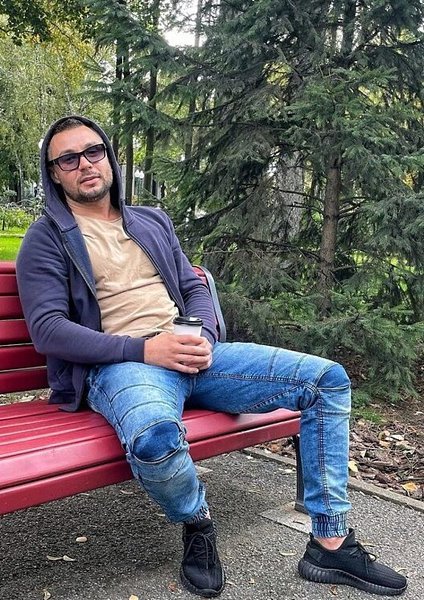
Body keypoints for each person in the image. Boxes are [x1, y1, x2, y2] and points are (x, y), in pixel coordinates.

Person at [16, 115, 407, 598]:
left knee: (326, 379)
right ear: (55, 174)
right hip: (123, 365)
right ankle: (197, 522)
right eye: (68, 159)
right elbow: (48, 330)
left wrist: (199, 333)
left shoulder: (151, 221)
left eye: (93, 151)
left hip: (195, 354)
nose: (85, 164)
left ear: (109, 158)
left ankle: (330, 543)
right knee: (155, 440)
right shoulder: (47, 237)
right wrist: (146, 348)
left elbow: (192, 286)